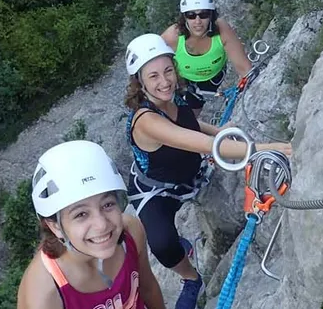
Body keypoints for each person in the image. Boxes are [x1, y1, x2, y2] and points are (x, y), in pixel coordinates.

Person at [122, 33, 292, 309]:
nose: (164, 81)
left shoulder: (174, 97)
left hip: (190, 176)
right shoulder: (146, 120)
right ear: (140, 82)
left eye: (168, 71)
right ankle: (191, 278)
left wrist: (218, 129)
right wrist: (266, 148)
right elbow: (204, 144)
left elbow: (189, 123)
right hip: (157, 191)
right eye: (153, 76)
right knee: (163, 245)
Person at [17, 140, 166, 309]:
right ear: (55, 226)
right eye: (81, 214)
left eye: (107, 205)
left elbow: (148, 289)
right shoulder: (42, 293)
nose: (101, 225)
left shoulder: (131, 231)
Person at [161, 0, 253, 117]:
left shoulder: (222, 31)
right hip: (181, 79)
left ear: (211, 15)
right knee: (169, 113)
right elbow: (151, 64)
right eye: (191, 15)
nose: (198, 21)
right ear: (184, 17)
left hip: (210, 80)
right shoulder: (172, 37)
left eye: (203, 14)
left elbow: (245, 69)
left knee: (190, 116)